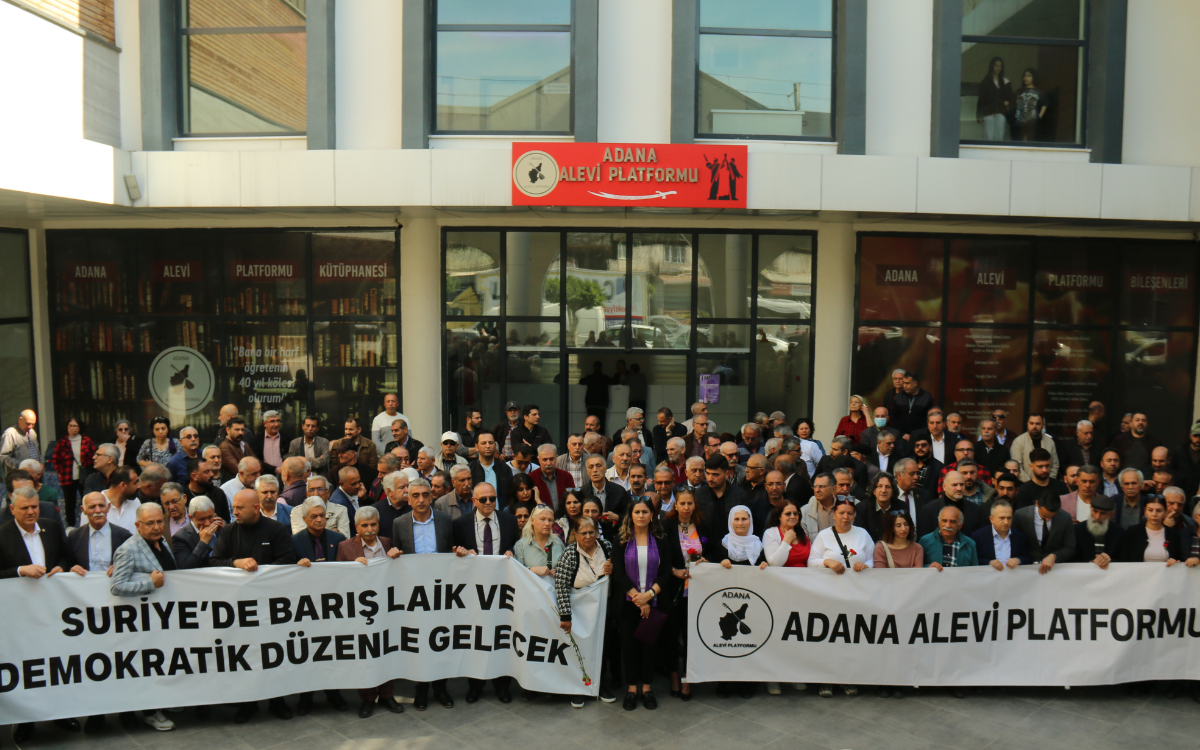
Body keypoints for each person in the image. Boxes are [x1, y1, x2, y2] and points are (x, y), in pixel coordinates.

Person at [213, 489, 296, 721]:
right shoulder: (228, 532)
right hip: (240, 610)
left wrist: (262, 576)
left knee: (274, 653)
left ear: (256, 508)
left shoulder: (277, 530)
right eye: (234, 508)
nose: (234, 511)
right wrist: (236, 563)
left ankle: (277, 700)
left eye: (240, 508)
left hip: (272, 606)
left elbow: (287, 560)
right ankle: (248, 703)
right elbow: (214, 562)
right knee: (246, 655)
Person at [108, 503, 177, 732]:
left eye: (160, 521)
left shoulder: (162, 541)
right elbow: (117, 587)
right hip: (142, 624)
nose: (157, 527)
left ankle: (163, 703)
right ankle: (150, 712)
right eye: (151, 523)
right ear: (138, 525)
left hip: (164, 620)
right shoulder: (128, 549)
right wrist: (150, 584)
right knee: (148, 666)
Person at [390, 478, 455, 710]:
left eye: (425, 495)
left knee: (441, 639)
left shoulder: (446, 521)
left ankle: (441, 687)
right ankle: (421, 689)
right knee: (419, 641)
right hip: (414, 593)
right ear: (408, 499)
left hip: (441, 591)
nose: (421, 500)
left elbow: (452, 550)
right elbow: (397, 556)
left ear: (431, 497)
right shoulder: (399, 523)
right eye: (415, 495)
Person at [452, 482, 520, 704]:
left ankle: (502, 685)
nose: (489, 502)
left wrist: (512, 552)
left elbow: (516, 548)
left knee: (502, 635)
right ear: (474, 501)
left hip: (503, 589)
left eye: (492, 498)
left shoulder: (509, 521)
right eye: (483, 499)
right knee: (476, 637)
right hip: (474, 591)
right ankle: (476, 685)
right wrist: (460, 552)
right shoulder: (460, 524)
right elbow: (451, 555)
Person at [611, 497, 677, 711]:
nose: (641, 516)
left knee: (649, 647)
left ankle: (647, 688)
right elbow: (618, 573)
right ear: (631, 516)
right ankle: (632, 689)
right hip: (628, 603)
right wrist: (637, 598)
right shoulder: (620, 540)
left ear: (651, 516)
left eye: (645, 512)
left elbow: (666, 571)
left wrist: (648, 595)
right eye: (637, 512)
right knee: (629, 647)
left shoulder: (661, 540)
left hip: (654, 601)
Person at [807, 497, 872, 697]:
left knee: (850, 638)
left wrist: (866, 566)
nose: (845, 517)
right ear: (834, 515)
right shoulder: (824, 536)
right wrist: (827, 562)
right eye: (841, 513)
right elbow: (811, 561)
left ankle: (848, 678)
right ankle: (826, 681)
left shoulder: (863, 534)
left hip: (855, 596)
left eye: (849, 513)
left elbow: (872, 559)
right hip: (829, 596)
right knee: (828, 637)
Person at [290, 497, 349, 715]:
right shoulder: (295, 541)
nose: (319, 520)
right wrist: (296, 566)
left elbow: (346, 566)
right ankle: (306, 697)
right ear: (304, 519)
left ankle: (334, 693)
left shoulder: (337, 538)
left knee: (332, 651)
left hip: (333, 606)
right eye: (313, 516)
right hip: (307, 607)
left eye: (322, 516)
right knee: (309, 652)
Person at [555, 516, 614, 708]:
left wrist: (612, 569)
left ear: (597, 532)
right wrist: (566, 615)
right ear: (575, 534)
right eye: (584, 533)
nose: (588, 536)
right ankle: (579, 687)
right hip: (579, 612)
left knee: (603, 648)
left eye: (592, 532)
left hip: (604, 609)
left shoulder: (606, 547)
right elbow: (561, 585)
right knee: (579, 649)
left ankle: (600, 684)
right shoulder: (569, 554)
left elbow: (619, 573)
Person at [1013, 490, 1075, 575]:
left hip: (1054, 570)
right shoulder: (1020, 516)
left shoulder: (1065, 518)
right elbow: (1014, 543)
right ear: (1037, 503)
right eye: (1044, 516)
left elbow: (1070, 547)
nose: (1048, 519)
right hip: (1026, 569)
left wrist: (1054, 556)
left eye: (1052, 517)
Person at [51, 417, 95, 527]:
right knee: (69, 503)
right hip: (67, 477)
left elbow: (94, 456)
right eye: (70, 426)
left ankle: (88, 523)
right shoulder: (62, 442)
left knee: (86, 500)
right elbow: (56, 459)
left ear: (80, 427)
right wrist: (60, 471)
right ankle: (70, 526)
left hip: (84, 476)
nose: (72, 428)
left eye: (75, 426)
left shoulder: (86, 441)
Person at [918, 470, 986, 538]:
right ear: (944, 487)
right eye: (954, 485)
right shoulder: (929, 510)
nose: (959, 488)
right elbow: (925, 540)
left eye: (962, 484)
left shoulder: (975, 509)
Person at [1117, 495, 1184, 564]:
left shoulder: (1173, 535)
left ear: (1165, 512)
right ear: (1145, 511)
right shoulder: (1132, 532)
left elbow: (1179, 559)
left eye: (1159, 511)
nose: (1154, 514)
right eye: (1150, 510)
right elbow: (1124, 560)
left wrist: (1175, 561)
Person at [972, 500, 1031, 569]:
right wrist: (989, 562)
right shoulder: (978, 537)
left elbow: (1028, 558)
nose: (1006, 522)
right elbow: (973, 561)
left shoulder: (1019, 537)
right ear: (991, 519)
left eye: (1009, 518)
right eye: (1002, 518)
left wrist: (1018, 560)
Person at [920, 505, 979, 571]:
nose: (948, 526)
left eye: (953, 522)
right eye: (944, 521)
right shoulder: (925, 541)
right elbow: (916, 569)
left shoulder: (970, 544)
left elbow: (975, 571)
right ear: (939, 523)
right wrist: (928, 567)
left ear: (960, 525)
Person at [172, 495, 224, 569]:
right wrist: (203, 543)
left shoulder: (222, 527)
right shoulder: (180, 538)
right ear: (191, 518)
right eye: (202, 519)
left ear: (215, 514)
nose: (207, 523)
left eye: (210, 517)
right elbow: (185, 567)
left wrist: (225, 532)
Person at [514, 504, 564, 578]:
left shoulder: (558, 542)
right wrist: (532, 570)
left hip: (554, 588)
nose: (547, 523)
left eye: (550, 520)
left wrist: (559, 572)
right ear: (532, 520)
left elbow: (568, 569)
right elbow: (516, 573)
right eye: (543, 519)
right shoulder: (521, 545)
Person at [581, 454, 631, 524]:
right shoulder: (582, 492)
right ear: (587, 471)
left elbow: (629, 517)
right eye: (591, 467)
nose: (595, 470)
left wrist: (618, 517)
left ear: (605, 469)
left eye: (598, 466)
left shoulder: (619, 491)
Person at [1073, 494, 1121, 567]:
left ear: (1111, 515)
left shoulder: (1119, 533)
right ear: (1090, 509)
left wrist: (1108, 560)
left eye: (1103, 513)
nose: (1097, 517)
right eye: (1095, 511)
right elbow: (1071, 559)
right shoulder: (1077, 530)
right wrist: (1090, 563)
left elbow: (1124, 561)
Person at [1108, 412, 1160, 477]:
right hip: (1123, 479)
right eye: (1137, 420)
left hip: (1147, 480)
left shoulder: (1154, 441)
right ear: (1131, 424)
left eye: (1143, 421)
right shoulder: (1119, 440)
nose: (1140, 423)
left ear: (1147, 424)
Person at [1009, 414, 1059, 481]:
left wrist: (1048, 481)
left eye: (1038, 424)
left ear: (1043, 425)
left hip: (1047, 484)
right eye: (1032, 423)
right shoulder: (1018, 442)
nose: (1034, 426)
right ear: (1027, 424)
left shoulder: (1050, 442)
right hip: (1025, 485)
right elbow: (1017, 466)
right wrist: (1031, 484)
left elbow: (1054, 465)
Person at [856, 472, 902, 541]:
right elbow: (860, 537)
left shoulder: (901, 506)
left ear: (893, 491)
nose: (883, 490)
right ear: (874, 491)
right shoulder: (862, 508)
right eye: (880, 486)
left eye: (888, 487)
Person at [976, 55, 1012, 141]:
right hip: (988, 113)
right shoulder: (986, 82)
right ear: (992, 66)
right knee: (989, 138)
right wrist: (979, 115)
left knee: (999, 138)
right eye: (996, 65)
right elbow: (981, 100)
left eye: (1000, 66)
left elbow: (1011, 97)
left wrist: (1008, 102)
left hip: (1000, 113)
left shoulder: (1005, 82)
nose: (998, 68)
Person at [892, 373, 933, 440]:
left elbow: (929, 418)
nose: (904, 386)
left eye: (907, 383)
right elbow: (893, 417)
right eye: (904, 383)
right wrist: (902, 433)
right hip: (901, 437)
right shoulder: (899, 397)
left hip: (920, 437)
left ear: (915, 383)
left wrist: (918, 434)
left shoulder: (926, 397)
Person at [249, 410, 290, 477]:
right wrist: (274, 469)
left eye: (278, 421)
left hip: (284, 475)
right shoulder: (257, 439)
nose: (276, 424)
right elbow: (256, 459)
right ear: (265, 424)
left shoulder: (286, 438)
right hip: (264, 475)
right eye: (272, 421)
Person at [531, 443, 572, 510]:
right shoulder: (531, 478)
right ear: (538, 459)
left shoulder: (567, 477)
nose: (549, 463)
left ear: (556, 458)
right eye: (545, 460)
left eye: (551, 459)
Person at [1013, 67, 1048, 140]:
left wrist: (1039, 117)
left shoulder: (1038, 92)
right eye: (1025, 76)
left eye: (1029, 76)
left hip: (1032, 123)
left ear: (1033, 77)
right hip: (1019, 122)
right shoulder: (1018, 91)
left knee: (1031, 143)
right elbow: (1012, 105)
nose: (1026, 78)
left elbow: (1045, 104)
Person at [0, 408, 38, 474]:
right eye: (28, 424)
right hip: (18, 475)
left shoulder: (32, 433)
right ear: (20, 420)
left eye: (33, 424)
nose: (30, 427)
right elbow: (3, 456)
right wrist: (21, 465)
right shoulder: (10, 434)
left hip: (34, 474)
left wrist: (42, 462)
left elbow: (37, 451)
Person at [1168, 423, 1200, 497]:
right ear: (1190, 435)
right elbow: (1171, 471)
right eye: (1195, 436)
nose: (1198, 439)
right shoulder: (1180, 451)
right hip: (1180, 494)